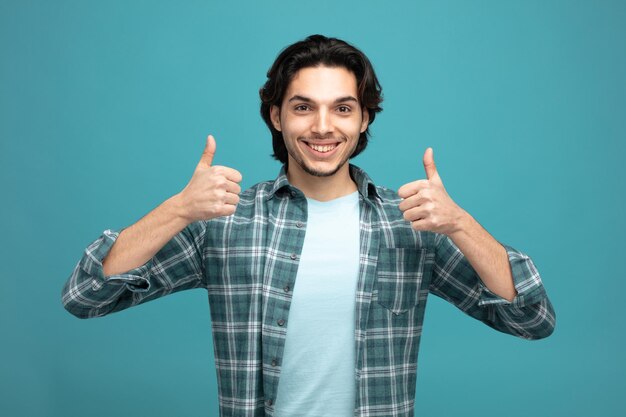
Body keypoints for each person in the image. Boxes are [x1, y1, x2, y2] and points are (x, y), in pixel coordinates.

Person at [61, 34, 556, 417]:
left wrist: (462, 224)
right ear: (276, 116)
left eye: (343, 108)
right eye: (303, 107)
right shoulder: (226, 221)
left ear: (364, 120)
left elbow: (531, 319)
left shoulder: (412, 224)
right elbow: (86, 296)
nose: (323, 126)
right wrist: (177, 210)